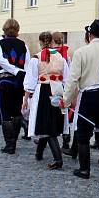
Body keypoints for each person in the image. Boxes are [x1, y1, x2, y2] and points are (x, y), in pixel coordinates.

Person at [62, 19, 99, 181]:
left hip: (89, 95)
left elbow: (73, 80)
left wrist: (66, 101)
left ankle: (84, 169)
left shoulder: (81, 52)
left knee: (83, 133)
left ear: (89, 34)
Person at [23, 32, 70, 170]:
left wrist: (26, 98)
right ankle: (39, 153)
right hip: (58, 90)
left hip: (43, 91)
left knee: (47, 126)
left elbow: (30, 82)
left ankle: (58, 159)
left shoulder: (36, 58)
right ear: (51, 42)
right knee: (48, 123)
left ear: (40, 42)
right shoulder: (61, 57)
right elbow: (67, 78)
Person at [0, 19, 27, 154]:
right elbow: (27, 63)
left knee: (5, 113)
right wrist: (20, 72)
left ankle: (10, 144)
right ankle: (13, 140)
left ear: (4, 30)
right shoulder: (23, 45)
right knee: (16, 112)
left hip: (5, 80)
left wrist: (13, 69)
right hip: (20, 80)